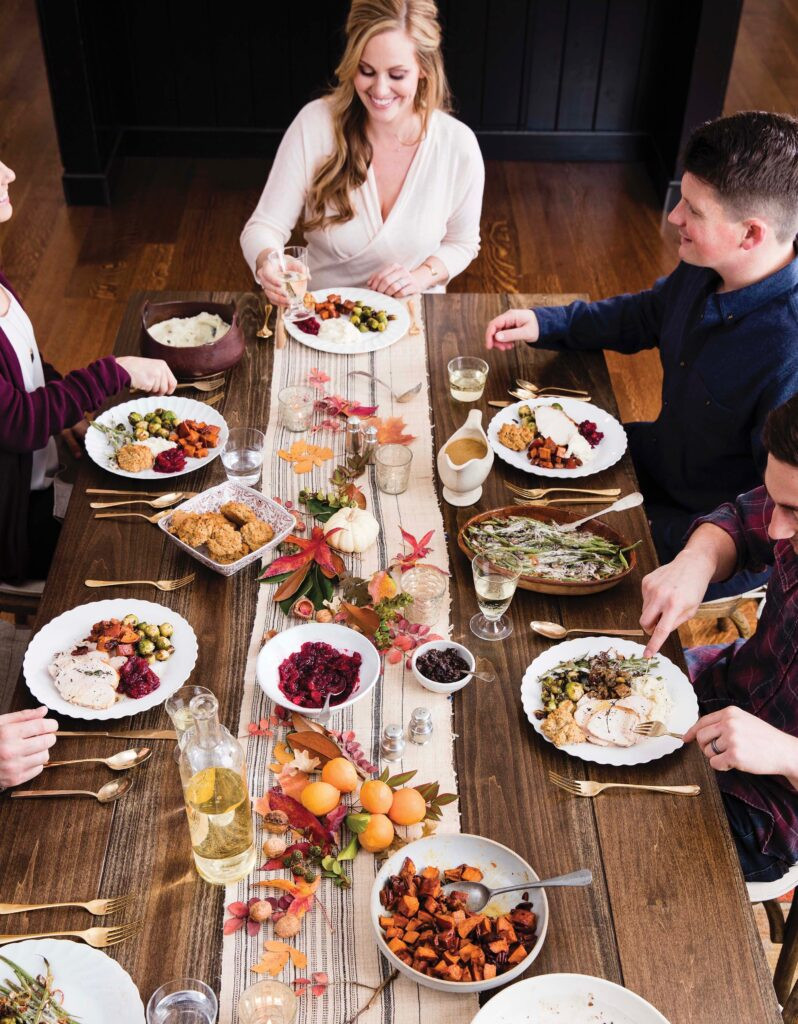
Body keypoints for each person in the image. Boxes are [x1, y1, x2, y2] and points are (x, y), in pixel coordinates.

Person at [484, 111, 798, 598]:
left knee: (538, 551)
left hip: (706, 534)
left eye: (693, 210)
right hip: (657, 461)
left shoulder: (789, 354)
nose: (674, 217)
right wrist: (550, 323)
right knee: (506, 484)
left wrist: (700, 553)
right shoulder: (705, 262)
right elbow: (650, 314)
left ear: (750, 234)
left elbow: (773, 510)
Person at [639, 394, 798, 882]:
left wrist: (787, 753)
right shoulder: (786, 503)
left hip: (768, 811)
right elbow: (741, 520)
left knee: (625, 845)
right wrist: (698, 559)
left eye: (794, 511)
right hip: (718, 690)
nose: (775, 527)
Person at [0, 155, 177, 585]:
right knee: (141, 555)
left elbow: (24, 366)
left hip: (40, 487)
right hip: (15, 528)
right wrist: (117, 370)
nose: (10, 171)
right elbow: (18, 423)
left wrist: (65, 409)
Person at [240, 0, 484, 305]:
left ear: (423, 68)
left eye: (397, 75)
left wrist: (418, 277)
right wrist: (268, 263)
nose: (380, 90)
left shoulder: (458, 145)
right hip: (323, 315)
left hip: (411, 314)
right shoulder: (315, 124)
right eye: (366, 71)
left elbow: (462, 243)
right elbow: (263, 227)